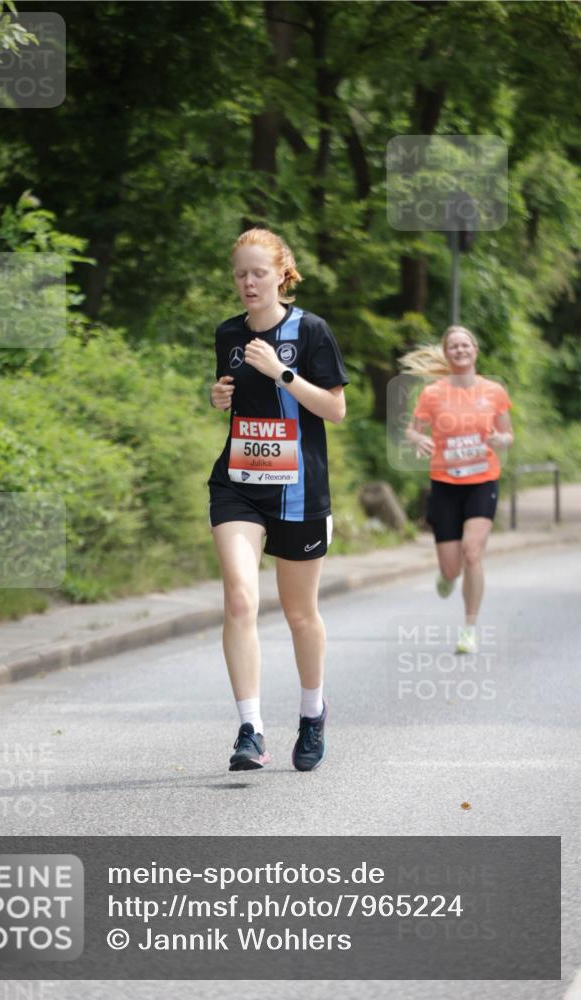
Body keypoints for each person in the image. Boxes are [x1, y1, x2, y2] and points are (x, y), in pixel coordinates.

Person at [208, 227, 348, 772]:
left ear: (280, 275)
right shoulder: (227, 333)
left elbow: (334, 410)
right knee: (241, 600)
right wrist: (219, 396)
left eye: (258, 273)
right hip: (238, 484)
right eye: (240, 273)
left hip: (299, 491)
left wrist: (281, 371)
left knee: (298, 613)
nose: (248, 282)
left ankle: (312, 713)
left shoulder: (310, 330)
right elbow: (233, 395)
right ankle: (251, 730)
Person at [402, 325, 514, 654]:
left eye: (465, 345)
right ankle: (447, 577)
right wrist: (419, 438)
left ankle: (469, 629)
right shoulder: (433, 394)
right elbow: (412, 430)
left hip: (482, 481)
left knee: (472, 552)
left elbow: (509, 434)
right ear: (446, 353)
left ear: (475, 350)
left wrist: (499, 440)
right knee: (451, 568)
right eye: (454, 346)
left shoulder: (494, 391)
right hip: (446, 485)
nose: (460, 350)